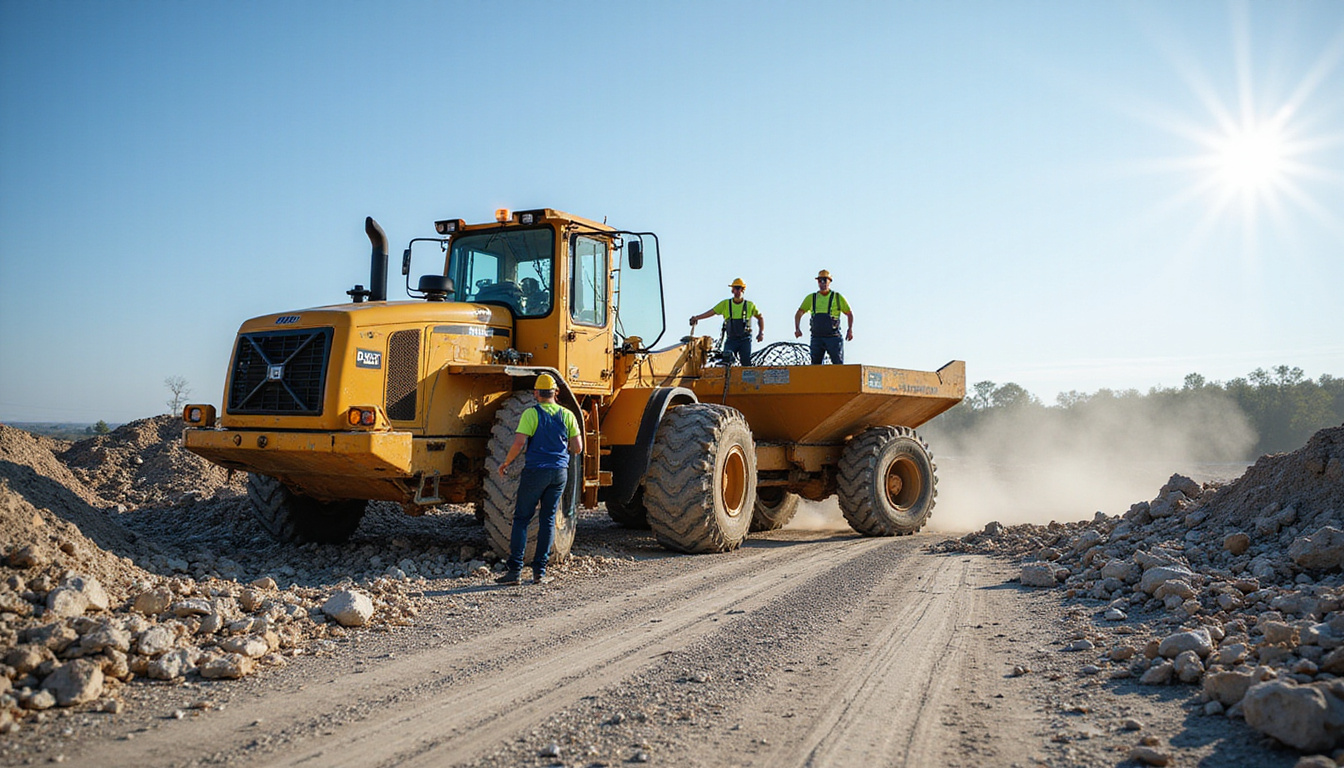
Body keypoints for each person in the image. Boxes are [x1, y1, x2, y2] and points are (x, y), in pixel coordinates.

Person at [495, 373, 583, 585]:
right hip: (559, 473)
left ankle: (514, 571)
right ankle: (539, 573)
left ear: (536, 393)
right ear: (556, 392)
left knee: (522, 518)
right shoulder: (568, 415)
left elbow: (518, 443)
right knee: (548, 519)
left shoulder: (531, 414)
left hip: (536, 472)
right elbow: (578, 448)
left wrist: (506, 463)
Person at [689, 277, 765, 365]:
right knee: (726, 359)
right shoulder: (725, 304)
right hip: (731, 340)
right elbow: (711, 312)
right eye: (734, 288)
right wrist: (697, 318)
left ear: (742, 289)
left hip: (745, 340)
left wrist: (761, 333)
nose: (736, 291)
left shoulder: (749, 305)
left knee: (745, 362)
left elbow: (760, 318)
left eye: (738, 288)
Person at [793, 269, 854, 364]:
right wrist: (797, 328)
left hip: (833, 337)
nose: (822, 283)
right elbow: (799, 313)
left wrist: (850, 330)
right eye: (820, 280)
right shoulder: (811, 298)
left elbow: (849, 313)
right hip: (817, 337)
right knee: (815, 366)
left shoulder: (837, 297)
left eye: (825, 280)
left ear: (829, 281)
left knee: (838, 365)